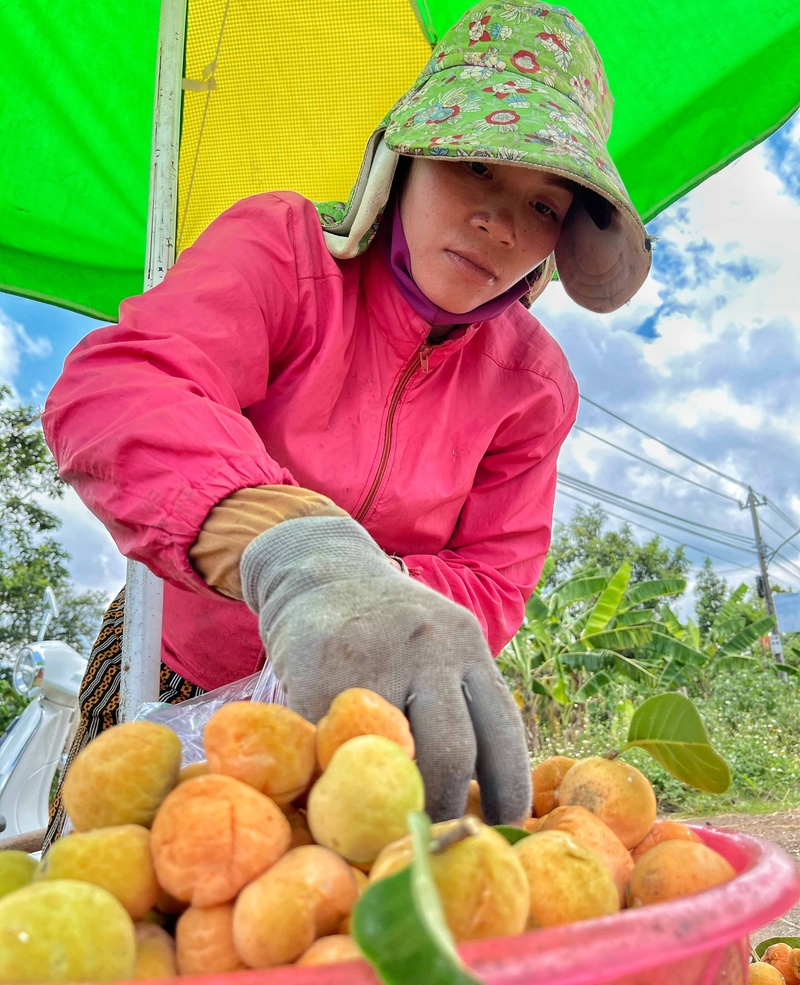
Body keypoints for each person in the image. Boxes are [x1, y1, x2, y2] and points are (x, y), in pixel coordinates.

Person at [42, 0, 651, 844]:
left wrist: (373, 598)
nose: (502, 223)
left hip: (377, 707)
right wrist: (303, 556)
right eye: (475, 165)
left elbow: (496, 577)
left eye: (545, 207)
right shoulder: (283, 251)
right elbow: (124, 388)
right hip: (177, 671)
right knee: (122, 913)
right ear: (402, 158)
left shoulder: (534, 385)